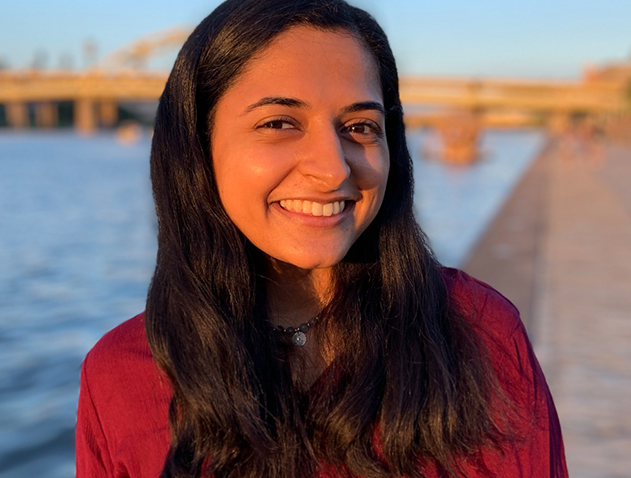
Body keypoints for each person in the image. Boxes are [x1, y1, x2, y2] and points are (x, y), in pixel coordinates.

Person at [76, 0, 568, 477]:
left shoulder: (479, 336)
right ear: (197, 147)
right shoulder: (119, 378)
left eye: (360, 127)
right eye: (279, 123)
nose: (333, 169)